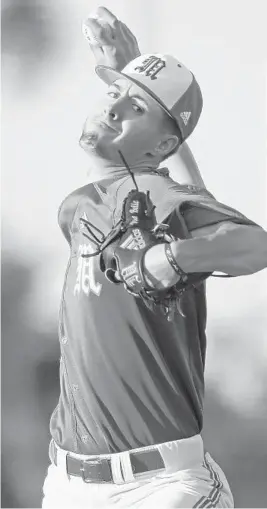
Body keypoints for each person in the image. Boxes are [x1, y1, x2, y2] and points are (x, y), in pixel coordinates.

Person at [42, 7, 267, 508]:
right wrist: (137, 67)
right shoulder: (78, 208)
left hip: (160, 488)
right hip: (66, 486)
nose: (115, 107)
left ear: (164, 145)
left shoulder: (160, 199)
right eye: (113, 94)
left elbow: (256, 245)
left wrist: (176, 256)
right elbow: (190, 191)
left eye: (135, 108)